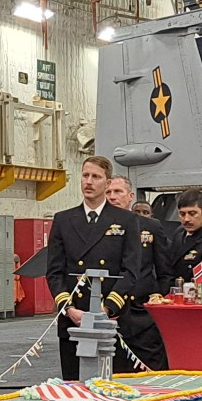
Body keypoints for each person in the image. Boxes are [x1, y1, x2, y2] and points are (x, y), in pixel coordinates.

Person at [44, 156, 150, 380]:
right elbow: (55, 271)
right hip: (74, 319)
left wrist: (107, 308)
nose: (89, 182)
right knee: (75, 385)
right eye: (85, 175)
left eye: (96, 177)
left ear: (107, 183)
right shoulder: (63, 220)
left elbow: (130, 270)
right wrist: (68, 308)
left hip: (112, 319)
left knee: (113, 385)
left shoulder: (126, 220)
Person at [102, 177, 169, 370]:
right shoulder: (97, 227)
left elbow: (165, 271)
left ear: (130, 196)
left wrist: (157, 302)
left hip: (142, 316)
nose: (112, 197)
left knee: (151, 373)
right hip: (110, 313)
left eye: (118, 192)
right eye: (108, 192)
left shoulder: (150, 227)